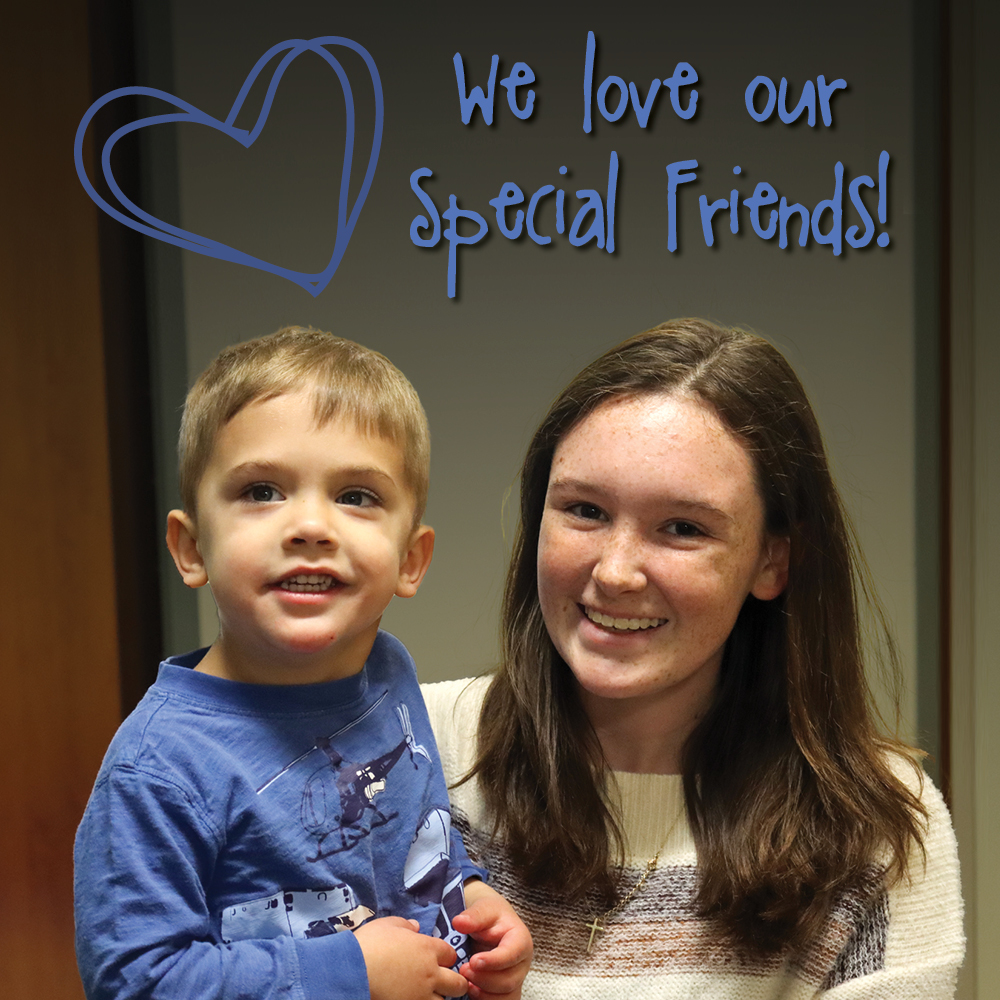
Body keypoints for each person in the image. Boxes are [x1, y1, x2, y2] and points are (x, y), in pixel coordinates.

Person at [424, 319, 964, 998]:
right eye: (585, 510)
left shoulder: (874, 826)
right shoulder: (408, 747)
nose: (616, 572)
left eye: (682, 528)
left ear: (773, 560)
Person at [75, 327, 532, 1000]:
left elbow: (416, 842)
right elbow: (135, 981)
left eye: (356, 496)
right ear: (192, 549)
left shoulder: (389, 673)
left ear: (410, 561)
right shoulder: (159, 769)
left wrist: (472, 897)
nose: (311, 526)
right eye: (262, 491)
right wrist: (350, 973)